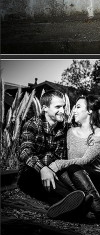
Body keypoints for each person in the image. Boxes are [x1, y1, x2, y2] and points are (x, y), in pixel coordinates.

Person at [15, 90, 86, 219]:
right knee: (63, 193)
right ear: (45, 108)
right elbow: (24, 151)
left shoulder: (65, 127)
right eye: (58, 107)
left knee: (77, 180)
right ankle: (76, 204)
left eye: (63, 107)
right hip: (32, 174)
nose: (63, 110)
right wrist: (43, 169)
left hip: (56, 171)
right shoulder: (33, 124)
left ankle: (73, 205)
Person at [46, 95, 100, 221]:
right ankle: (78, 205)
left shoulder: (99, 133)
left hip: (97, 182)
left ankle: (98, 205)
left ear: (89, 111)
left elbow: (85, 161)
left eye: (78, 107)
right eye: (74, 107)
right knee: (60, 174)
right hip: (74, 182)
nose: (74, 110)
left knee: (73, 167)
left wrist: (58, 163)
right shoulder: (70, 132)